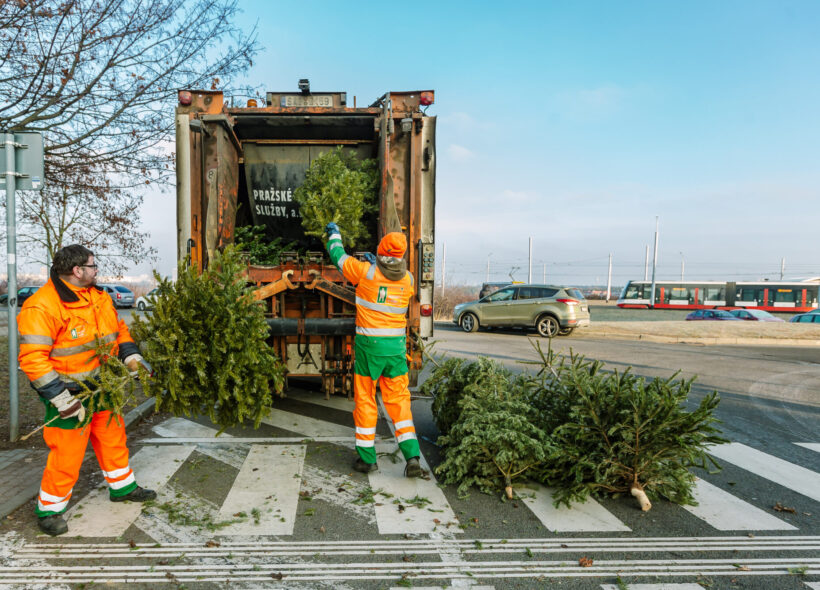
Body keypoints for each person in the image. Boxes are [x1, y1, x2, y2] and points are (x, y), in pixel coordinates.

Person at [17, 245, 156, 536]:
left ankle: (122, 487)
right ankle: (50, 509)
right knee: (67, 454)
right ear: (77, 271)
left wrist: (131, 356)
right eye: (93, 266)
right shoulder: (42, 306)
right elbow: (33, 359)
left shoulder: (98, 297)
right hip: (69, 394)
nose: (97, 270)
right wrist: (61, 399)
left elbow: (118, 332)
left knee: (113, 438)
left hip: (104, 386)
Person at [324, 223, 423, 477]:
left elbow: (338, 257)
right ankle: (412, 456)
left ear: (379, 252)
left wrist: (335, 234)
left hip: (370, 350)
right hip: (395, 352)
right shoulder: (409, 279)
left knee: (366, 400)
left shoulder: (364, 273)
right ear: (400, 257)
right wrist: (380, 264)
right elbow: (392, 279)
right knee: (399, 402)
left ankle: (367, 460)